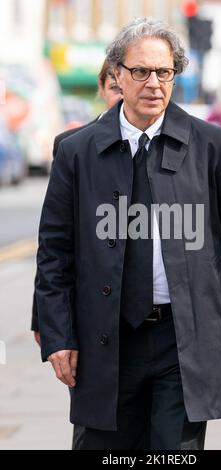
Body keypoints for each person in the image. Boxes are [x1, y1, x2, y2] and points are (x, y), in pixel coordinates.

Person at [36, 18, 221, 450]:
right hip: (105, 339)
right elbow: (55, 252)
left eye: (164, 72)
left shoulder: (210, 144)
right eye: (141, 72)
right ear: (117, 76)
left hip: (183, 340)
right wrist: (56, 335)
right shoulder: (77, 152)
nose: (153, 83)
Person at [31, 59, 122, 449]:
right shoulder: (73, 146)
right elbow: (56, 240)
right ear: (103, 87)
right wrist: (48, 322)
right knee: (94, 425)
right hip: (90, 307)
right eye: (115, 85)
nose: (124, 93)